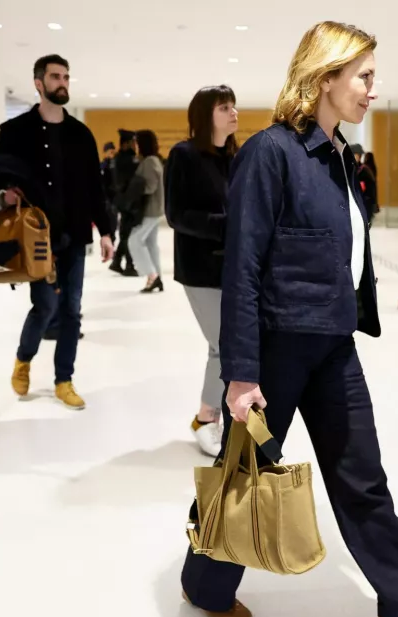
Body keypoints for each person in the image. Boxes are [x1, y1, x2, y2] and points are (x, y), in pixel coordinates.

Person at [180, 21, 398, 617]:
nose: (372, 89)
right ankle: (204, 585)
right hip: (278, 346)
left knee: (362, 474)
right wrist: (242, 371)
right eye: (363, 76)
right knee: (246, 473)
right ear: (325, 77)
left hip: (333, 341)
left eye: (372, 76)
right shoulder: (270, 152)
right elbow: (243, 266)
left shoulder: (342, 156)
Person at [0, 54, 116, 411]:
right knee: (45, 305)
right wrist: (4, 194)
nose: (62, 82)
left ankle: (64, 379)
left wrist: (106, 231)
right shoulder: (15, 132)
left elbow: (96, 188)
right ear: (39, 83)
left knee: (72, 311)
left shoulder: (81, 134)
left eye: (66, 76)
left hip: (75, 235)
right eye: (55, 77)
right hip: (34, 238)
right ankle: (24, 358)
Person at [165, 85, 239, 457]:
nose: (233, 112)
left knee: (226, 345)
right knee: (223, 345)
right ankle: (207, 418)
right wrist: (228, 224)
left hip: (234, 267)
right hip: (200, 267)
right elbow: (177, 215)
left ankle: (215, 415)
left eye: (233, 106)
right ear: (205, 114)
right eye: (224, 107)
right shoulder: (184, 155)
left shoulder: (233, 156)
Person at [127, 130, 165, 293]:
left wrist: (133, 191)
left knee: (134, 241)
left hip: (151, 209)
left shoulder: (150, 161)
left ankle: (152, 275)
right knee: (150, 243)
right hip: (155, 208)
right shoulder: (153, 160)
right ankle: (157, 276)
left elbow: (150, 186)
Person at [109, 130, 139, 276]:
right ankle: (129, 264)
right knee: (128, 234)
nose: (135, 145)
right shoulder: (130, 159)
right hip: (129, 202)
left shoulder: (116, 158)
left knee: (125, 233)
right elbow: (133, 182)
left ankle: (117, 261)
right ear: (127, 143)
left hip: (120, 200)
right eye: (133, 142)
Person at [352, 144, 379, 220]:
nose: (356, 157)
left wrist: (373, 205)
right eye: (354, 155)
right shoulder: (347, 170)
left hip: (364, 205)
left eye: (358, 155)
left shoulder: (365, 171)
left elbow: (372, 190)